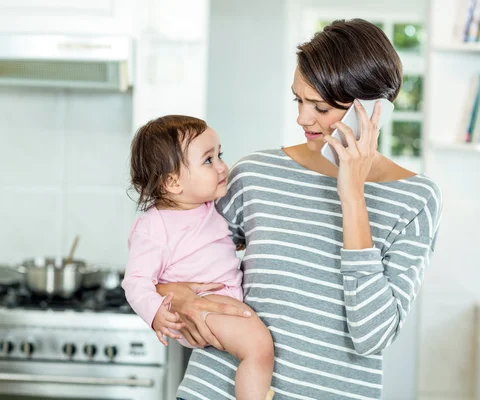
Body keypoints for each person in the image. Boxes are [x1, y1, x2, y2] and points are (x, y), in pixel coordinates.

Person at [158, 19, 443, 400]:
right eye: (299, 100)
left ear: (373, 111)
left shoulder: (416, 199)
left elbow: (372, 335)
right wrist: (180, 299)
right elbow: (168, 258)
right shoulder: (255, 174)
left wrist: (352, 195)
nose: (303, 118)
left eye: (321, 107)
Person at [122, 115, 275, 400]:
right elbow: (136, 281)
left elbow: (210, 245)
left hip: (220, 301)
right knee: (259, 347)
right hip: (206, 306)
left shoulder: (206, 207)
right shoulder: (154, 226)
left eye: (220, 155)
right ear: (172, 181)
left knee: (256, 346)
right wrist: (156, 313)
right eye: (208, 160)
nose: (222, 167)